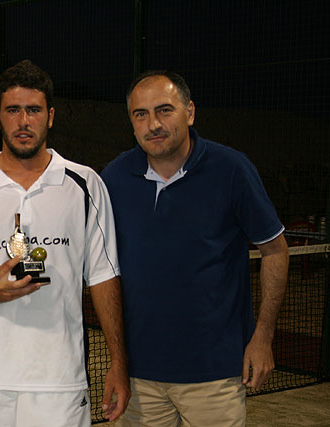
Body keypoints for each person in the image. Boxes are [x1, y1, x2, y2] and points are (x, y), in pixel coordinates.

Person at [0, 59, 130, 426]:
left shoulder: (85, 185)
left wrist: (118, 361)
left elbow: (103, 276)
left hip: (60, 380)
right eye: (13, 110)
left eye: (33, 110)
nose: (23, 121)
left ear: (50, 117)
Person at [101, 70, 289, 426]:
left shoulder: (232, 169)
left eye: (164, 110)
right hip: (138, 378)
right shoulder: (113, 178)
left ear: (189, 112)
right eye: (141, 114)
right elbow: (102, 269)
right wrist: (117, 361)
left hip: (215, 375)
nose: (153, 124)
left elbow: (275, 251)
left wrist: (263, 337)